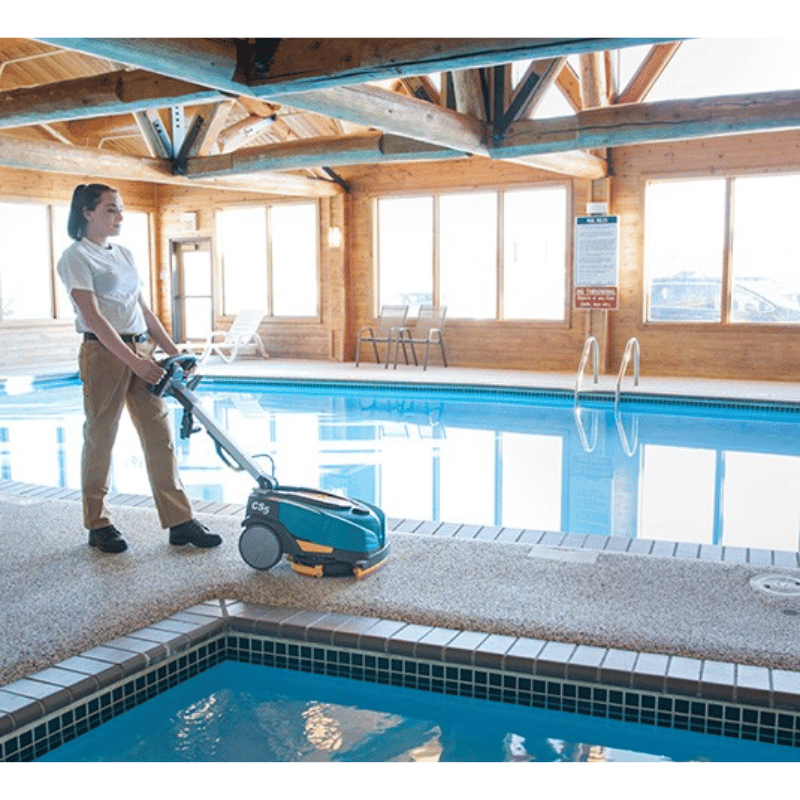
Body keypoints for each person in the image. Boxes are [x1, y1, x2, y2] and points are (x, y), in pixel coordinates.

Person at [57, 183, 222, 553]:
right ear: (87, 212)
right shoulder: (76, 257)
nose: (119, 216)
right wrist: (133, 361)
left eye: (120, 209)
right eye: (111, 209)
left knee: (159, 436)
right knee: (101, 436)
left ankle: (180, 521)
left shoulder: (124, 253)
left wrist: (173, 351)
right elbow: (94, 318)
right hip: (103, 353)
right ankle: (98, 524)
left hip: (141, 349)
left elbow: (142, 311)